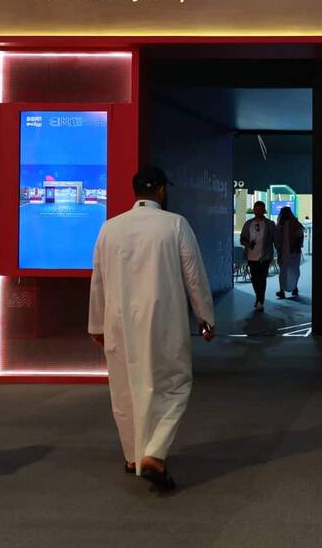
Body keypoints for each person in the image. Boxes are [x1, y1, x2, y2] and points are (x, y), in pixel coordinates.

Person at [88, 167, 215, 491]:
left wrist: (96, 323)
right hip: (163, 321)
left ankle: (132, 456)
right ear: (161, 190)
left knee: (124, 389)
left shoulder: (109, 227)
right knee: (175, 385)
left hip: (118, 321)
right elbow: (194, 276)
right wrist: (205, 316)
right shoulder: (175, 224)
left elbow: (98, 279)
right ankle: (154, 454)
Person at [240, 201, 276, 311]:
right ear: (254, 210)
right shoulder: (248, 224)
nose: (258, 211)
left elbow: (275, 240)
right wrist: (248, 244)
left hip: (265, 256)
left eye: (260, 209)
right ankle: (258, 297)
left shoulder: (270, 224)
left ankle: (260, 300)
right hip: (251, 256)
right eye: (256, 209)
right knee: (255, 278)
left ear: (264, 210)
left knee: (262, 278)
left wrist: (280, 254)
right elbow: (242, 238)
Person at [274, 206, 305, 299]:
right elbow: (277, 239)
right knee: (285, 271)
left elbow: (300, 238)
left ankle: (293, 288)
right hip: (284, 252)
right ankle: (284, 290)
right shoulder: (280, 225)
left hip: (292, 252)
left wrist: (295, 247)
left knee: (292, 271)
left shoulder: (295, 224)